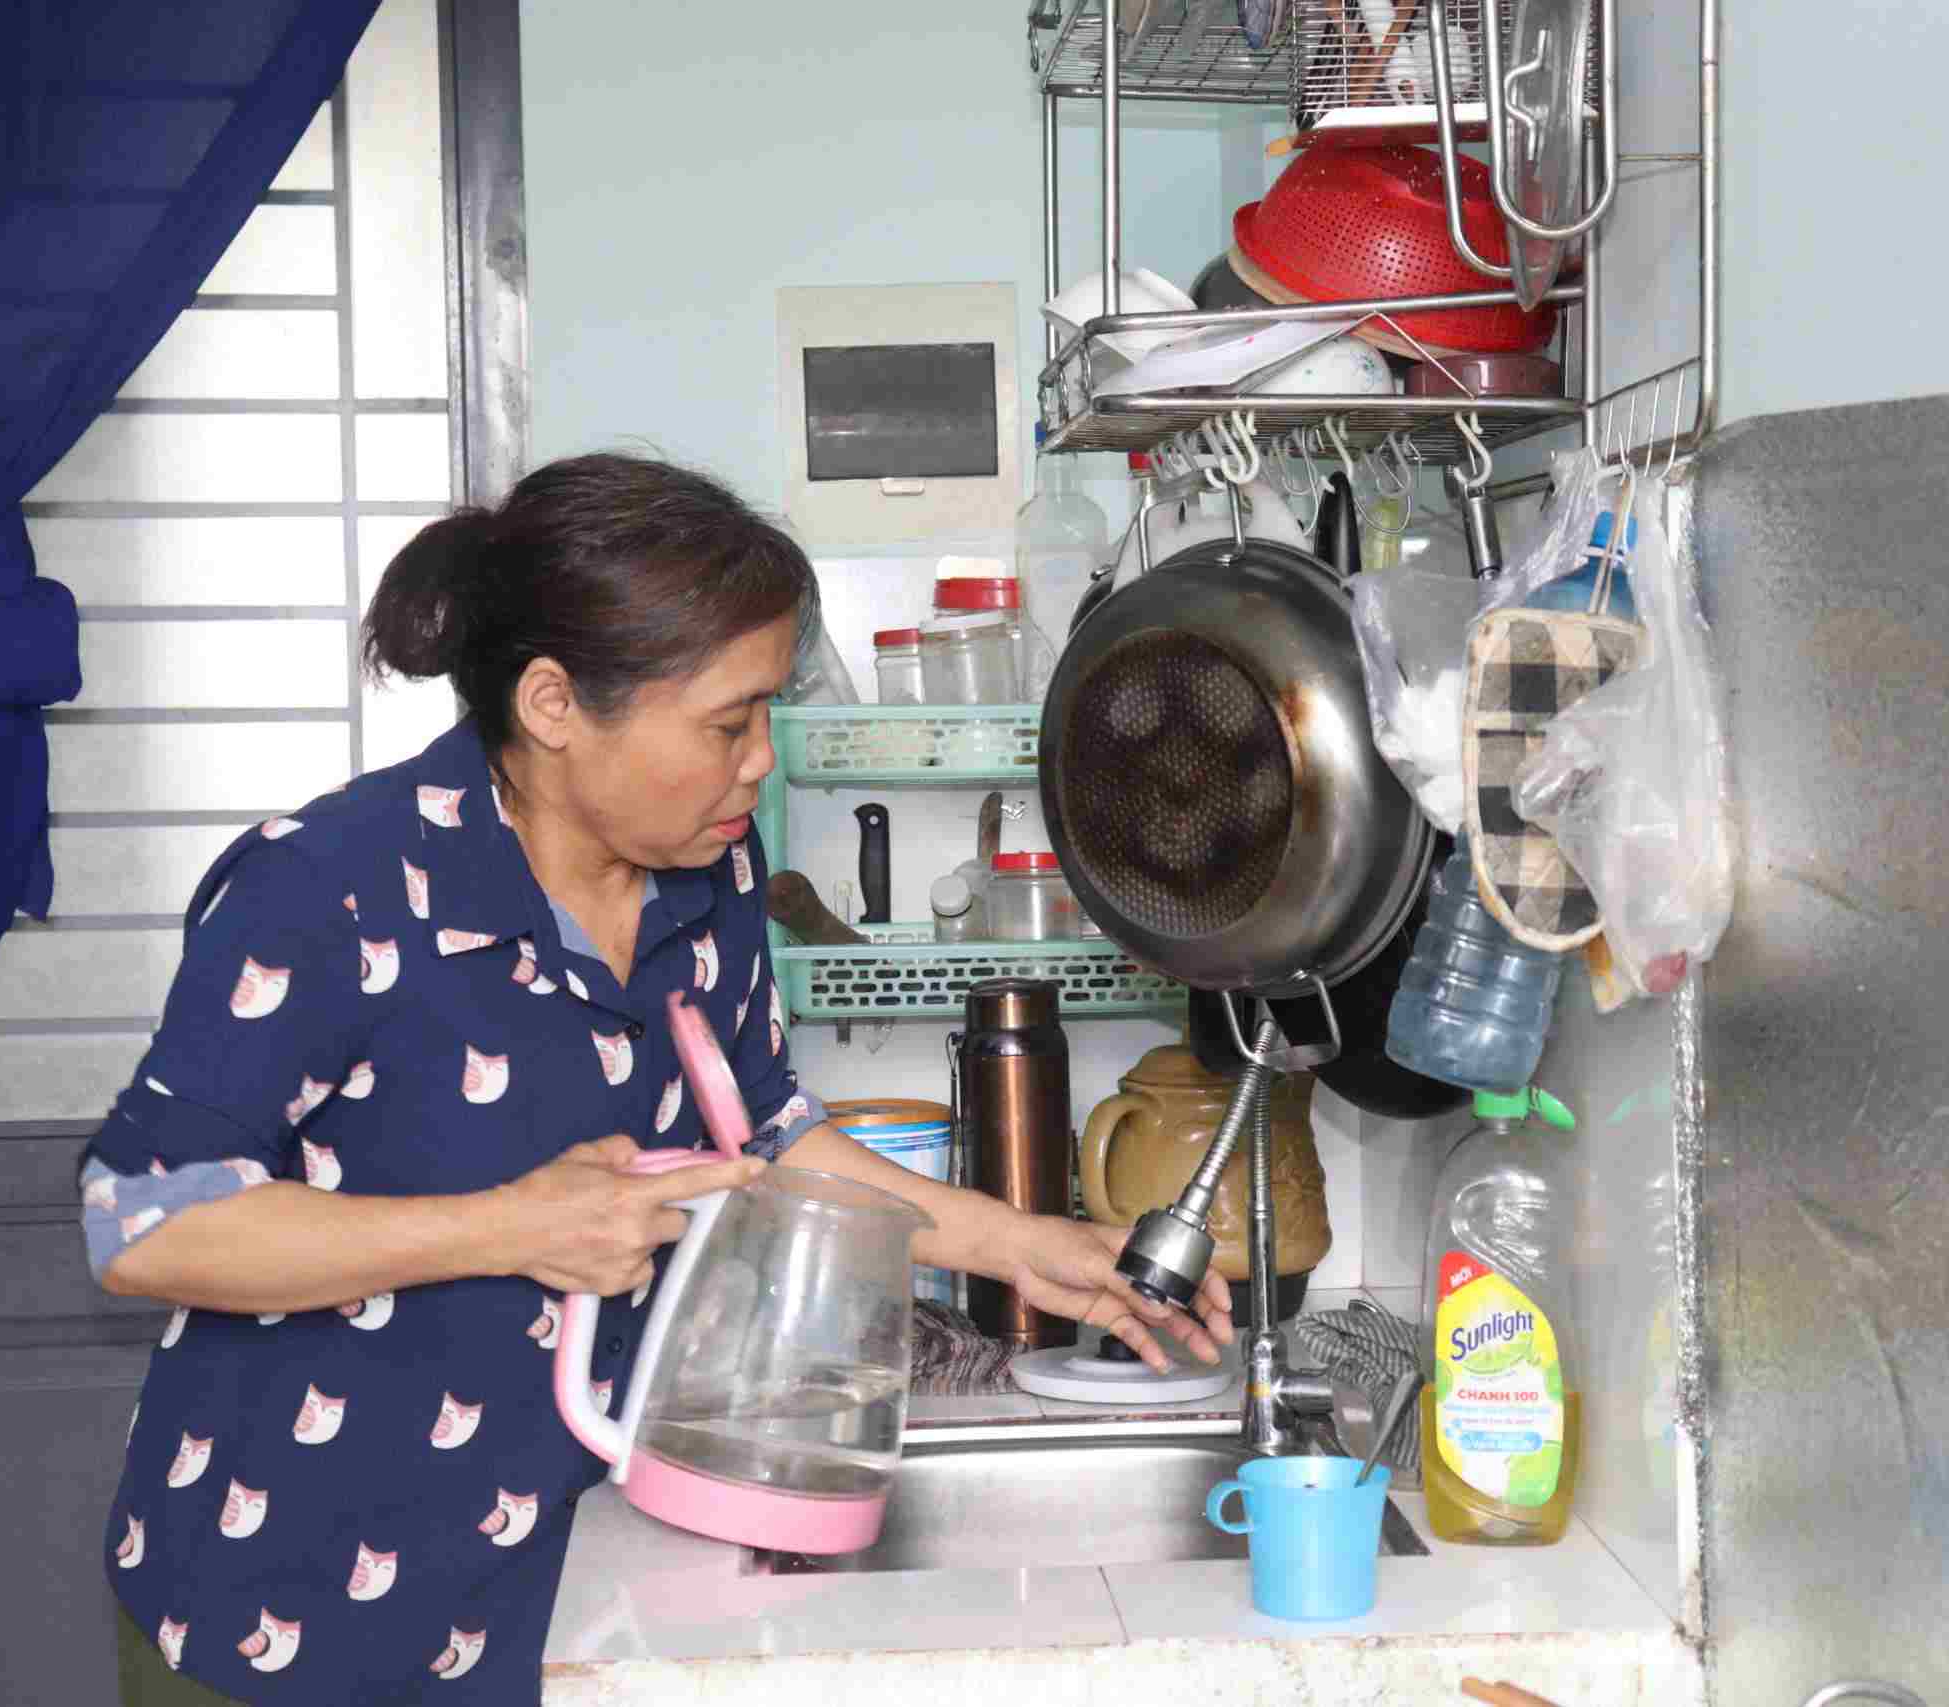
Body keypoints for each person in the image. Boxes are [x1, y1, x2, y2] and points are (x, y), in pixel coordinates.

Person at [80, 453, 1233, 1706]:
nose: (762, 763)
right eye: (728, 723)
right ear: (554, 703)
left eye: (771, 717)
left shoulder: (705, 876)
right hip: (288, 1612)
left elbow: (769, 1136)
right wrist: (510, 1227)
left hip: (570, 1585)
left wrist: (1021, 1243)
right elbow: (144, 1223)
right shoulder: (327, 890)